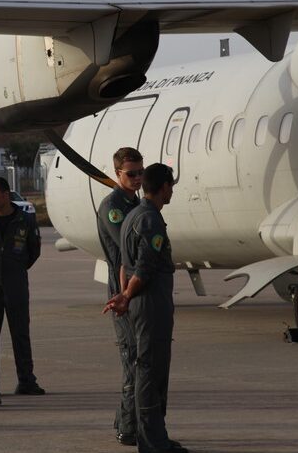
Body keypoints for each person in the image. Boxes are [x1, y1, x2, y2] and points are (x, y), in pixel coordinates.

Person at [104, 163, 187, 453]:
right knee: (152, 372)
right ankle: (153, 442)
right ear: (163, 186)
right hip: (151, 305)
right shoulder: (150, 220)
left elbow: (125, 266)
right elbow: (144, 267)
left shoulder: (132, 216)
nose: (172, 190)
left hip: (141, 304)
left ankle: (150, 436)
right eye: (171, 186)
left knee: (145, 370)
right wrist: (126, 295)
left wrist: (125, 293)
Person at [96, 147, 146, 446]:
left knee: (138, 358)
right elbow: (128, 246)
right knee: (132, 359)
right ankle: (128, 427)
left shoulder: (132, 201)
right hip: (121, 289)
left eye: (141, 172)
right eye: (131, 174)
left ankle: (124, 420)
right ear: (117, 174)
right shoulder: (113, 205)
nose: (138, 178)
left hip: (133, 287)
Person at [0, 177, 45, 398]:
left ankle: (26, 380)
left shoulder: (25, 220)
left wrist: (15, 269)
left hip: (16, 286)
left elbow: (33, 251)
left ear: (6, 195)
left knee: (20, 335)